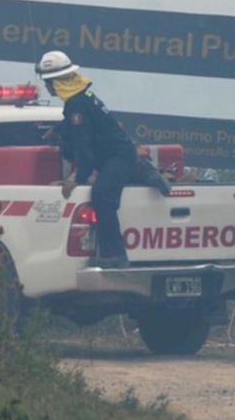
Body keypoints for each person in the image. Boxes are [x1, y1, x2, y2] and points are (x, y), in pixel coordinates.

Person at [36, 50, 169, 269]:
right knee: (109, 181)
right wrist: (58, 129)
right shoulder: (81, 99)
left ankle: (114, 254)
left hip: (117, 156)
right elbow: (88, 124)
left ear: (58, 81)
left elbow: (84, 149)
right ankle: (142, 171)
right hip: (116, 155)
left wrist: (77, 178)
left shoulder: (76, 104)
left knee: (102, 195)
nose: (48, 87)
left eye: (49, 82)